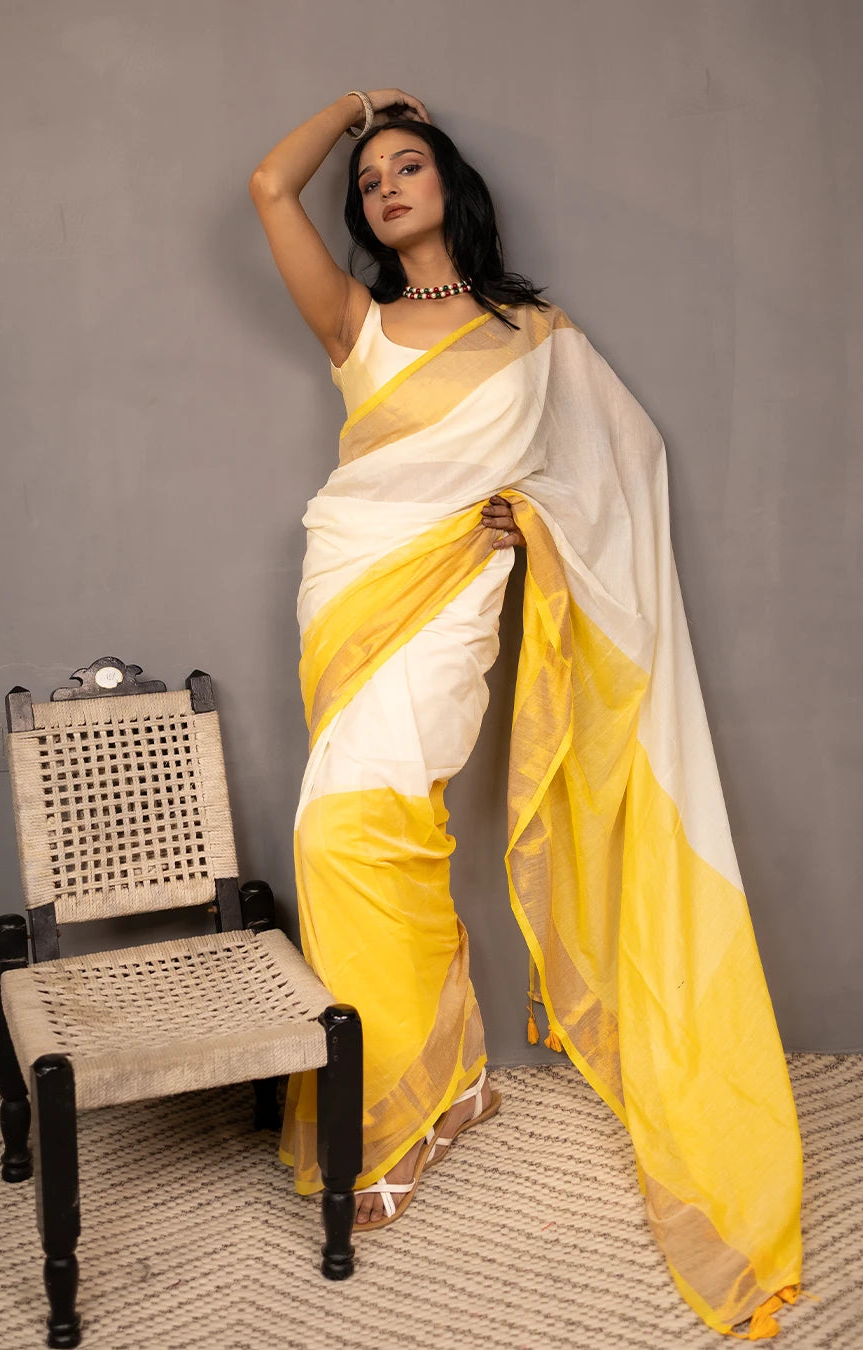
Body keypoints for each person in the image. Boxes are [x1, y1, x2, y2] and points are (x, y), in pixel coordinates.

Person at [249, 89, 804, 1339]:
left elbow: (627, 464)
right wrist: (354, 108)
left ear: (450, 184)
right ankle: (429, 1091)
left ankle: (409, 1101)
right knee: (343, 839)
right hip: (349, 594)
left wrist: (537, 515)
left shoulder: (535, 336)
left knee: (380, 832)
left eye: (408, 165)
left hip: (454, 603)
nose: (386, 186)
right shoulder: (355, 325)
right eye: (371, 180)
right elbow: (268, 190)